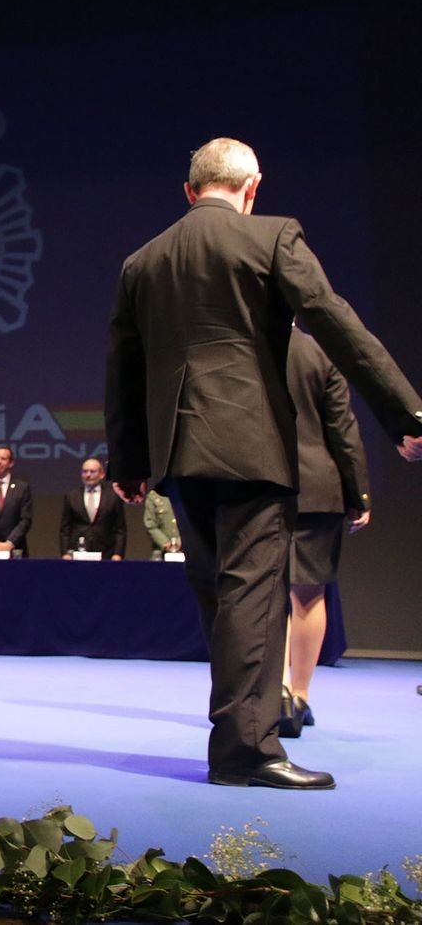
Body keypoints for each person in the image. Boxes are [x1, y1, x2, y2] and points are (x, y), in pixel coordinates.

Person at [105, 137, 422, 790]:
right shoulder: (273, 237)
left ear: (190, 191)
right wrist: (404, 412)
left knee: (220, 599)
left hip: (177, 452)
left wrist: (129, 460)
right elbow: (333, 321)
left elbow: (124, 369)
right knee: (251, 594)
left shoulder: (143, 260)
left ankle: (238, 735)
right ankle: (247, 751)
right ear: (252, 189)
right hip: (250, 446)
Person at [280, 328, 371, 737]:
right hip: (317, 486)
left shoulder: (238, 343)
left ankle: (274, 692)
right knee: (308, 593)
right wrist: (359, 493)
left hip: (253, 488)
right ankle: (298, 696)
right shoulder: (318, 351)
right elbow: (342, 428)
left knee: (260, 596)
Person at [58, 457, 126, 559]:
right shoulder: (71, 496)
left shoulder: (113, 496)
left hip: (106, 552)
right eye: (85, 471)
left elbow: (120, 529)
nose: (88, 475)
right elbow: (65, 529)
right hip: (78, 552)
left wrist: (118, 554)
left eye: (92, 471)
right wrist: (65, 553)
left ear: (102, 474)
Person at [143, 491, 181, 555]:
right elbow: (150, 524)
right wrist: (165, 543)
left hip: (186, 549)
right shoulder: (154, 496)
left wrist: (180, 541)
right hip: (161, 552)